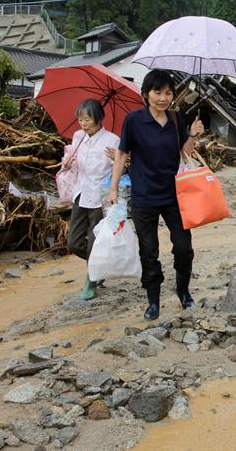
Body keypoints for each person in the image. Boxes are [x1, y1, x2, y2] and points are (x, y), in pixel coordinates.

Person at [109, 69, 204, 320]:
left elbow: (184, 152)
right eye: (157, 92)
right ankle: (153, 301)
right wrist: (113, 188)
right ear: (146, 94)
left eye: (168, 92)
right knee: (149, 251)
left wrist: (192, 135)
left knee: (184, 248)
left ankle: (183, 292)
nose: (163, 97)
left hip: (175, 194)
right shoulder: (133, 120)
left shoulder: (175, 119)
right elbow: (121, 154)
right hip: (143, 197)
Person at [64, 99, 120, 300]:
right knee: (74, 242)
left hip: (100, 198)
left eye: (87, 119)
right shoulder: (78, 137)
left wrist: (117, 159)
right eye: (80, 119)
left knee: (94, 243)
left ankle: (92, 279)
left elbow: (119, 169)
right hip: (81, 194)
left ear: (98, 118)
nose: (83, 123)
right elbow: (74, 165)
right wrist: (68, 163)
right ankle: (100, 267)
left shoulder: (112, 140)